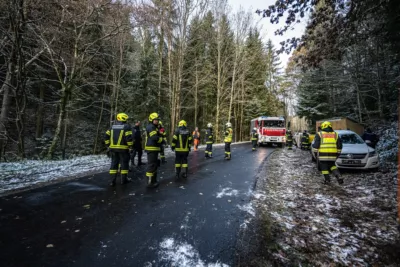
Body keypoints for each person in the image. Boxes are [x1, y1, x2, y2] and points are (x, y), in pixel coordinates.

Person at [105, 113, 133, 186]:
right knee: (124, 164)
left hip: (113, 149)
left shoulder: (112, 127)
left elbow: (106, 137)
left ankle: (112, 181)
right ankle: (124, 180)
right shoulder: (126, 126)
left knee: (114, 164)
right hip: (123, 149)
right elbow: (129, 138)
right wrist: (130, 146)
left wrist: (108, 145)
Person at [145, 112, 163, 188]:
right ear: (151, 120)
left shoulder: (154, 127)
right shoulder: (151, 127)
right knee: (151, 165)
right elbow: (154, 137)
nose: (157, 121)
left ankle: (153, 180)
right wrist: (161, 140)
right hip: (151, 148)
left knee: (155, 164)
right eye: (155, 120)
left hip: (154, 148)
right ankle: (150, 182)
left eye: (157, 120)